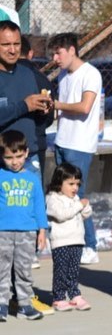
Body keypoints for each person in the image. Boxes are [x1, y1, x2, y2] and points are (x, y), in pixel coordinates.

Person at [49, 32, 102, 265]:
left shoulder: (90, 74)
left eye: (58, 52)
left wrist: (56, 105)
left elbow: (84, 107)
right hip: (62, 141)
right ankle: (67, 242)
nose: (55, 58)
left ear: (71, 50)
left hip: (79, 145)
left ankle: (90, 245)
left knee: (76, 195)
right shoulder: (63, 75)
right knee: (62, 196)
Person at [0, 131, 48, 321]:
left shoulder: (33, 179)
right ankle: (2, 304)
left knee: (24, 270)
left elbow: (39, 206)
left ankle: (24, 305)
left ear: (26, 153)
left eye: (18, 156)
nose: (14, 161)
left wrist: (42, 230)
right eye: (9, 157)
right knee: (2, 269)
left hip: (27, 233)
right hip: (3, 231)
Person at [0, 20, 52, 176]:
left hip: (29, 159)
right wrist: (25, 106)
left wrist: (43, 110)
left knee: (34, 201)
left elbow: (38, 119)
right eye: (6, 45)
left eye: (16, 44)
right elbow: (24, 107)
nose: (12, 50)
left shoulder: (28, 73)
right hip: (3, 161)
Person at [45, 162, 92, 312]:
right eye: (71, 184)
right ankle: (58, 298)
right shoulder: (53, 198)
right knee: (61, 271)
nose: (75, 188)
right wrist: (79, 205)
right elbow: (61, 215)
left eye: (77, 184)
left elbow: (85, 214)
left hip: (77, 240)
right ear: (59, 183)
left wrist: (85, 207)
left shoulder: (74, 198)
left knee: (73, 270)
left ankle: (74, 294)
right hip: (61, 242)